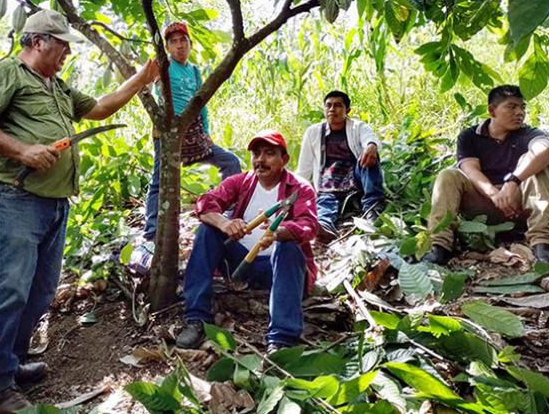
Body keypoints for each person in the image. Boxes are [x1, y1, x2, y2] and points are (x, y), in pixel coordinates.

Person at [0, 9, 159, 412]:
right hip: (18, 200)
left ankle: (11, 363)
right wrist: (22, 150)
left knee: (40, 291)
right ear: (38, 42)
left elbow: (101, 108)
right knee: (9, 289)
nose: (68, 51)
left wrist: (143, 77)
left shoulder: (58, 88)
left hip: (54, 204)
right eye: (62, 43)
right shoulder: (7, 75)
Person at [175, 130, 318, 352]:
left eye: (269, 153)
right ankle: (196, 318)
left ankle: (281, 339)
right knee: (207, 231)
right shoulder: (241, 182)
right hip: (242, 263)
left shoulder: (299, 188)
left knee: (288, 248)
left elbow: (309, 225)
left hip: (280, 270)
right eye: (256, 153)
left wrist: (280, 232)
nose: (260, 160)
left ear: (285, 159)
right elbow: (205, 202)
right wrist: (225, 223)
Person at [425, 85, 549, 265]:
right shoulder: (469, 136)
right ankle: (439, 247)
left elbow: (545, 150)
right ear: (492, 110)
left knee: (538, 164)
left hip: (520, 204)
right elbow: (470, 169)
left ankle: (542, 245)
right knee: (448, 175)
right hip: (484, 206)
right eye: (511, 107)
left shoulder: (528, 134)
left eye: (522, 107)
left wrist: (513, 182)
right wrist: (494, 194)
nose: (519, 112)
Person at [142, 22, 242, 244]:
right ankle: (151, 231)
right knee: (160, 180)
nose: (179, 46)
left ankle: (229, 215)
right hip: (168, 132)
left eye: (183, 40)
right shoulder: (162, 65)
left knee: (230, 161)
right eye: (174, 42)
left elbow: (202, 102)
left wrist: (206, 131)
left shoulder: (194, 70)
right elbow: (143, 85)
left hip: (194, 132)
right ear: (167, 47)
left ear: (190, 44)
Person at [296, 90, 385, 239]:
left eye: (337, 105)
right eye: (328, 105)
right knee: (324, 203)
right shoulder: (313, 133)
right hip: (328, 184)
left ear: (347, 110)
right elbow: (304, 168)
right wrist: (295, 195)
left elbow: (370, 139)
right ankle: (325, 228)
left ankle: (372, 208)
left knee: (369, 158)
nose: (332, 109)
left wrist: (371, 146)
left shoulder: (357, 127)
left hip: (355, 180)